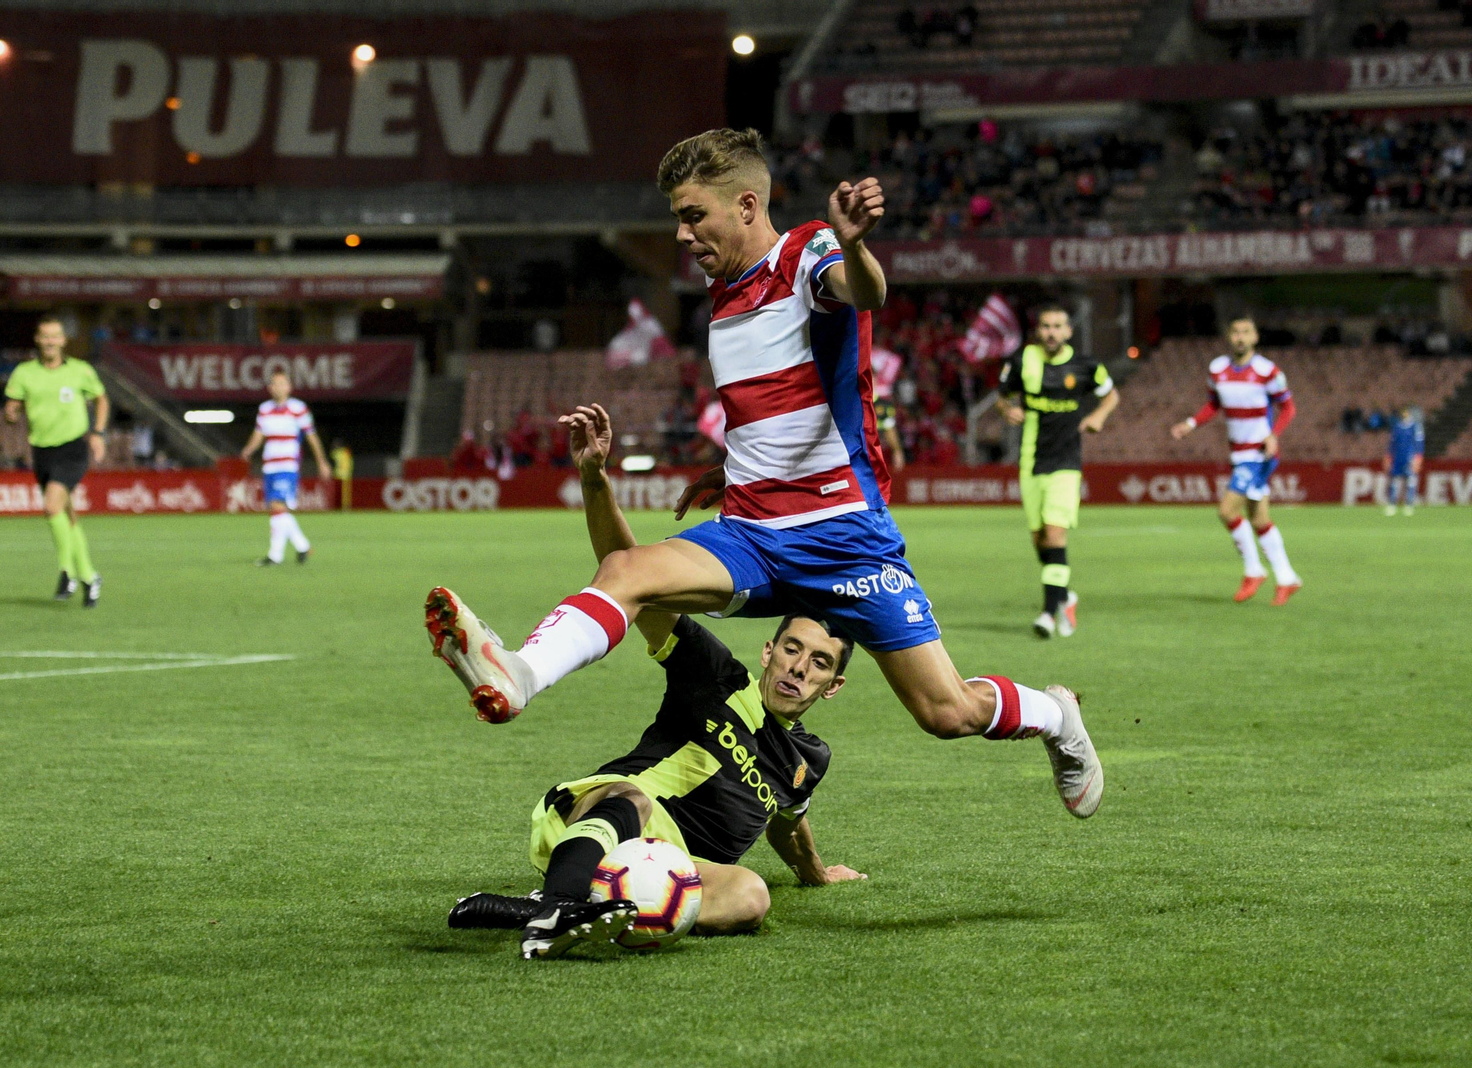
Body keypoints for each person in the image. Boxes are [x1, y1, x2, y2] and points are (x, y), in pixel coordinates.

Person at [422, 128, 1103, 823]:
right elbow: (778, 403)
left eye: (694, 216)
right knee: (626, 572)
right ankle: (521, 674)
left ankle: (1057, 714)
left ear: (746, 204)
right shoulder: (723, 294)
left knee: (946, 711)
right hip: (752, 531)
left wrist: (857, 244)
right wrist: (728, 467)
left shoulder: (804, 252)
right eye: (678, 219)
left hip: (843, 537)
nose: (683, 234)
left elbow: (862, 291)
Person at [439, 404, 865, 959]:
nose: (799, 668)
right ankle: (561, 903)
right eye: (791, 648)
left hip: (674, 872)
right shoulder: (712, 674)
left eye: (819, 663)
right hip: (599, 820)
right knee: (633, 796)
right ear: (768, 651)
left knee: (751, 894)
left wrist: (817, 873)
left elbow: (789, 823)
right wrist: (595, 480)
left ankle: (562, 907)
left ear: (832, 685)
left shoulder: (811, 759)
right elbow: (629, 570)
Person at [994, 304, 1119, 639]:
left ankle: (1048, 614)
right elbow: (1002, 397)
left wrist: (1097, 417)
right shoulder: (1022, 361)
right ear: (1039, 331)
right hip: (1031, 460)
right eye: (1045, 326)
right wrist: (1008, 410)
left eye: (1057, 326)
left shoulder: (1086, 366)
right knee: (1040, 541)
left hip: (1066, 463)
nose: (1050, 332)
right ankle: (1065, 596)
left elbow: (1111, 396)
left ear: (1068, 331)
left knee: (1055, 535)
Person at [1170, 314, 1302, 605]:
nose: (1240, 337)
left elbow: (1288, 408)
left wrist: (1273, 435)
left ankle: (1254, 571)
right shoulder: (1217, 369)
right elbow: (1214, 404)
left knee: (1227, 511)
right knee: (1259, 518)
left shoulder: (1268, 371)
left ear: (1255, 337)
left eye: (1246, 332)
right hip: (1238, 452)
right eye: (1235, 332)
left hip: (1258, 454)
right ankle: (1287, 578)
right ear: (1229, 337)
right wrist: (1190, 424)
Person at [3, 314, 109, 607]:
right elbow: (12, 406)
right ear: (38, 340)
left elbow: (101, 399)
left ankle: (70, 572)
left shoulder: (80, 371)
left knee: (51, 506)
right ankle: (90, 577)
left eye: (55, 336)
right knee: (67, 514)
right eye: (45, 336)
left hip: (73, 447)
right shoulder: (24, 373)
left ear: (63, 340)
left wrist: (98, 433)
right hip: (42, 449)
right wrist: (11, 414)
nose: (50, 342)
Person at [239, 370, 328, 566]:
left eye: (282, 383)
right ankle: (302, 545)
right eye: (274, 383)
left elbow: (312, 437)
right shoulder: (264, 409)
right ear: (270, 388)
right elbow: (258, 434)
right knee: (275, 508)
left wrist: (321, 461)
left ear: (289, 387)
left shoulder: (298, 408)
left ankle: (275, 556)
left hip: (287, 464)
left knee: (278, 507)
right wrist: (249, 449)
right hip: (269, 465)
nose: (278, 387)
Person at [1384, 406, 1424, 517]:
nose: (1405, 415)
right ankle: (1392, 505)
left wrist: (1418, 457)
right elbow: (1392, 444)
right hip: (1398, 458)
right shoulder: (1397, 427)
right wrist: (1388, 457)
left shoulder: (1415, 427)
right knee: (1395, 481)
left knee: (1411, 480)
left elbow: (1419, 443)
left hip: (1410, 458)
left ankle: (1409, 504)